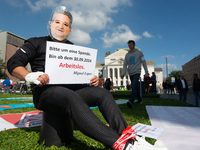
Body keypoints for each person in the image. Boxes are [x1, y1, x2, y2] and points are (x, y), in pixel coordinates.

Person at [7, 6, 167, 150]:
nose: (61, 26)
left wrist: (91, 80)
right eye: (57, 22)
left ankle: (131, 138)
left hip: (71, 91)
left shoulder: (72, 47)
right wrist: (29, 75)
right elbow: (13, 63)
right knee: (68, 96)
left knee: (102, 93)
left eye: (65, 24)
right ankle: (124, 145)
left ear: (70, 29)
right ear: (50, 24)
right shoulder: (36, 42)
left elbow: (76, 74)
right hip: (45, 92)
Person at [122, 40, 149, 108]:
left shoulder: (139, 53)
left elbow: (144, 62)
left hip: (137, 72)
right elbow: (125, 64)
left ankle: (131, 101)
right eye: (129, 45)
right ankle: (140, 100)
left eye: (131, 45)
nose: (130, 47)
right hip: (130, 73)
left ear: (134, 45)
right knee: (135, 87)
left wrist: (146, 72)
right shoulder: (127, 55)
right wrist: (123, 72)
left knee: (133, 86)